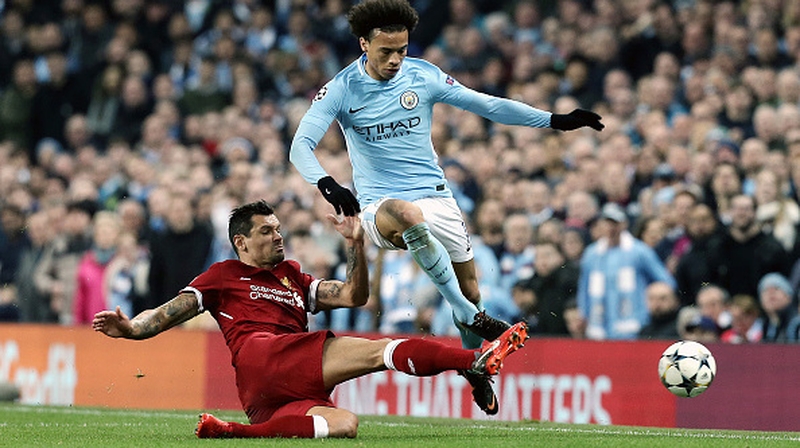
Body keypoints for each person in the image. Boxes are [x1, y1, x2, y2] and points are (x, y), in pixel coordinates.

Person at [288, 0, 602, 415]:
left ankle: (475, 366)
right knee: (407, 215)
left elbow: (487, 105)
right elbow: (300, 146)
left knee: (471, 287)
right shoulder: (342, 89)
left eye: (402, 49)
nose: (396, 59)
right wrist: (327, 183)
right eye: (386, 51)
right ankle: (467, 313)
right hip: (382, 204)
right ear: (364, 44)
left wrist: (554, 120)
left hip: (437, 196)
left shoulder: (424, 75)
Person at [93, 201, 528, 439]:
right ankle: (471, 360)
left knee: (343, 426)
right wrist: (131, 329)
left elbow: (355, 296)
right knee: (381, 352)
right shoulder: (222, 276)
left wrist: (357, 245)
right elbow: (167, 313)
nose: (278, 235)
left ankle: (239, 433)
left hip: (267, 394)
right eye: (267, 231)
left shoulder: (293, 276)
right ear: (241, 242)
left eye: (279, 228)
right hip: (263, 355)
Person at [577, 203, 675, 340]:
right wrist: (583, 314)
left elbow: (665, 280)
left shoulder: (639, 251)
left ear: (624, 224)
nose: (611, 228)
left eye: (615, 223)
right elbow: (584, 288)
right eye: (607, 223)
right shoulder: (591, 254)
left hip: (633, 325)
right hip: (598, 327)